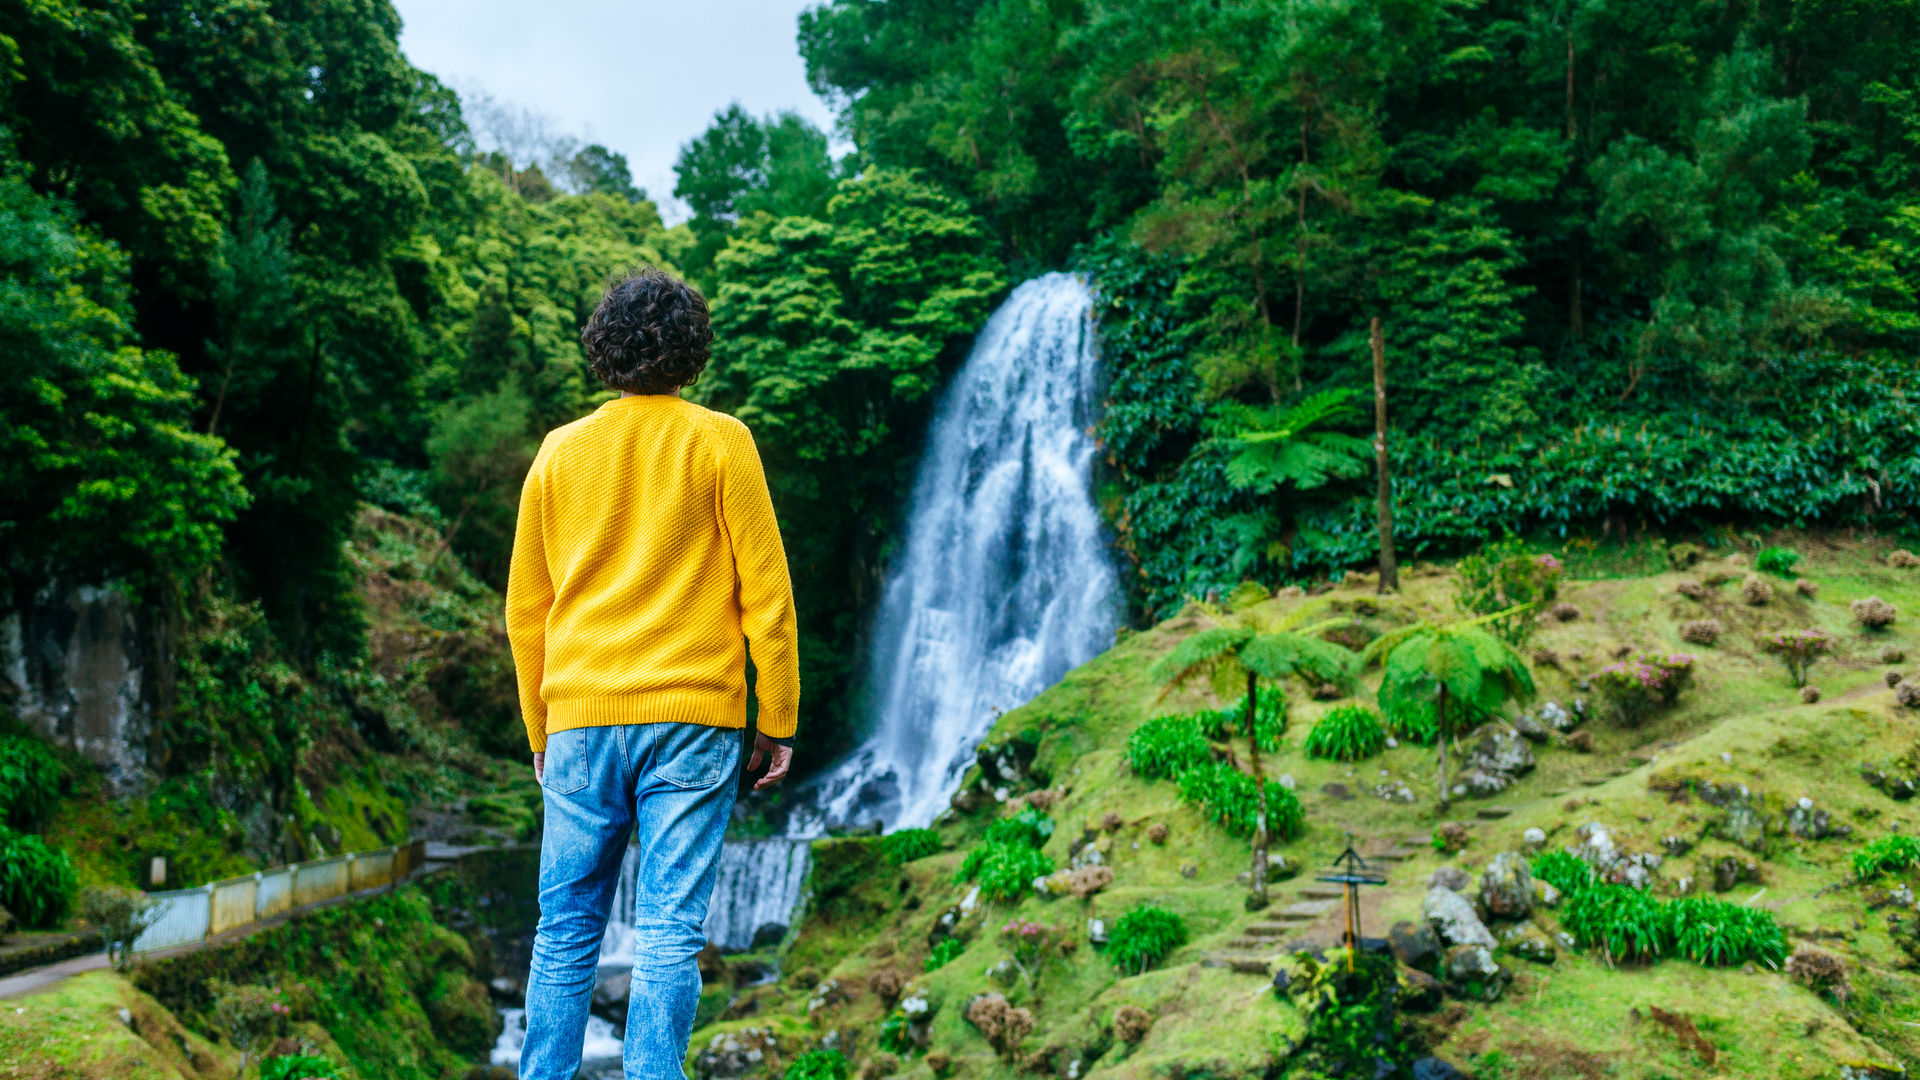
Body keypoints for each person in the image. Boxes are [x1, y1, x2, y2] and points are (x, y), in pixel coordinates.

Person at [505, 266, 799, 1079]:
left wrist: (541, 727)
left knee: (564, 927)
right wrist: (776, 718)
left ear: (603, 347)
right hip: (694, 717)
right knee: (670, 929)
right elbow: (765, 593)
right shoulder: (721, 441)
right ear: (691, 350)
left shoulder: (559, 453)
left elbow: (525, 609)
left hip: (581, 717)